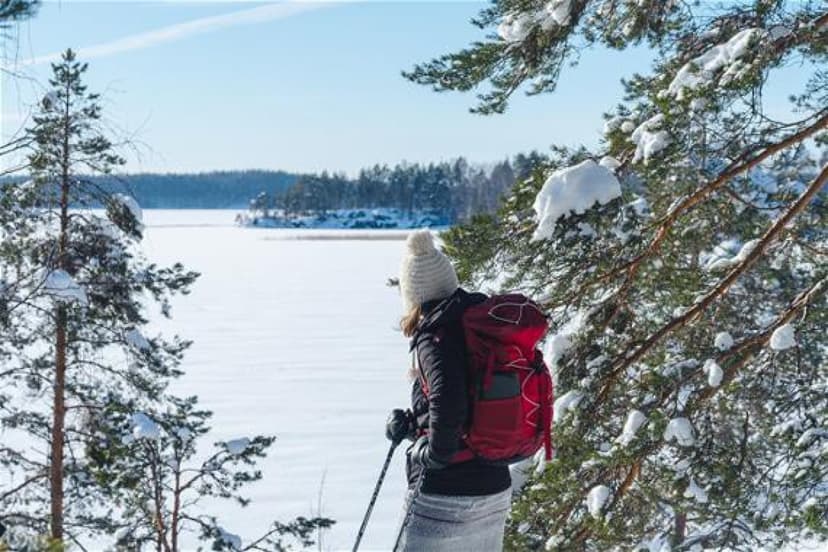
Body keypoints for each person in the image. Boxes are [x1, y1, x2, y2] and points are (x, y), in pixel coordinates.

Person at [386, 230, 512, 552]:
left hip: (445, 494)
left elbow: (448, 397)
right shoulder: (479, 330)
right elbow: (469, 403)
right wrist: (414, 424)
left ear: (413, 295)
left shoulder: (434, 336)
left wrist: (434, 454)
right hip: (494, 486)